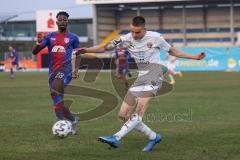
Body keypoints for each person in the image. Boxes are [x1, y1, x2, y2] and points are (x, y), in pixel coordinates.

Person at [76, 16, 205, 151]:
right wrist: (86, 50)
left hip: (155, 73)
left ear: (145, 29)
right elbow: (105, 47)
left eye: (137, 32)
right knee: (123, 115)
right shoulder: (126, 39)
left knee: (139, 110)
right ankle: (153, 136)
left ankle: (116, 137)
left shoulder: (155, 38)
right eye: (132, 31)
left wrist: (194, 57)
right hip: (141, 77)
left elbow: (172, 51)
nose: (134, 35)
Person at [32, 11, 82, 134]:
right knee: (58, 99)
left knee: (54, 90)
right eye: (60, 20)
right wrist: (38, 44)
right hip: (52, 71)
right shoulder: (49, 37)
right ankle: (73, 120)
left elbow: (78, 53)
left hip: (66, 69)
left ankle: (59, 121)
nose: (62, 22)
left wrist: (76, 69)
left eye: (65, 20)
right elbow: (35, 52)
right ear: (56, 22)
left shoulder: (73, 37)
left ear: (67, 22)